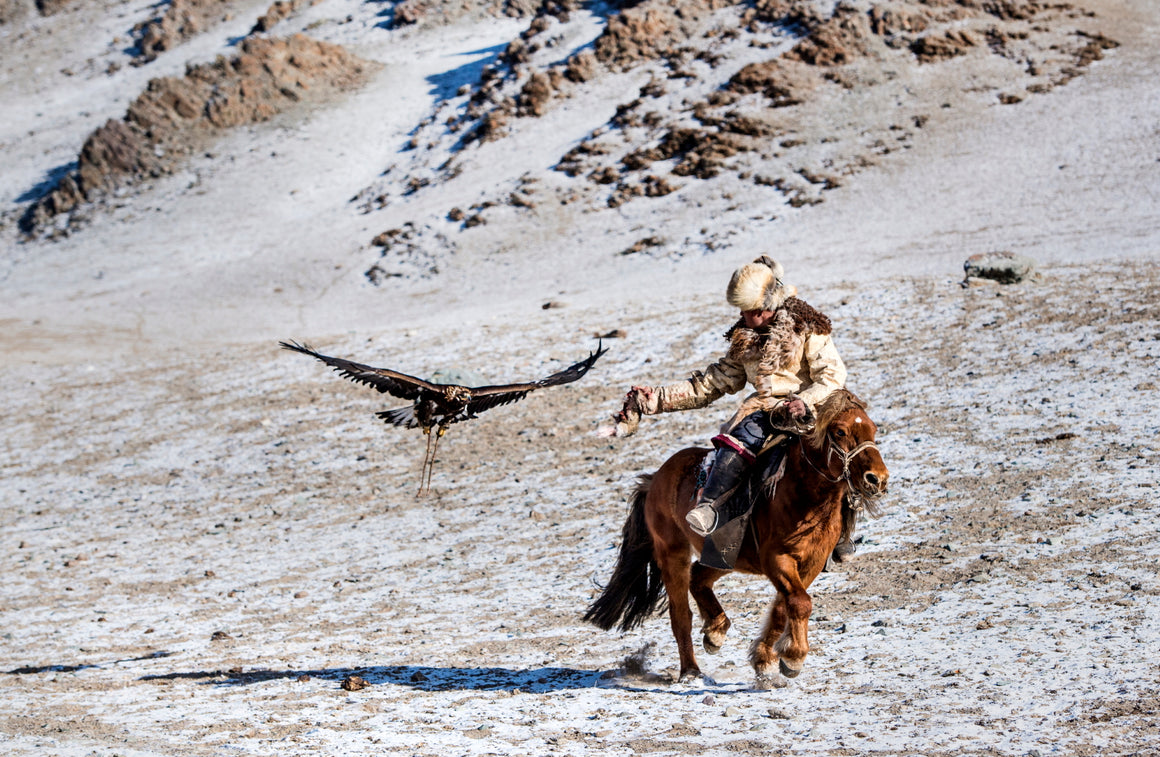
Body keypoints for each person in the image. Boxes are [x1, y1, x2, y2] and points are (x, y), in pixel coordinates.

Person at [610, 256, 849, 544]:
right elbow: (712, 383)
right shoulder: (744, 340)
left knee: (850, 446)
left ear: (773, 303)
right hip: (767, 412)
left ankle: (845, 527)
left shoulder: (808, 327)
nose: (749, 318)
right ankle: (710, 508)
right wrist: (655, 399)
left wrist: (806, 401)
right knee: (739, 440)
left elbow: (832, 375)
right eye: (744, 311)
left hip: (816, 406)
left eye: (756, 311)